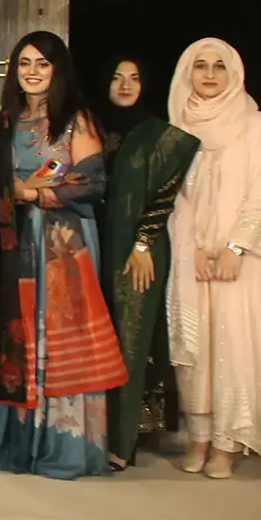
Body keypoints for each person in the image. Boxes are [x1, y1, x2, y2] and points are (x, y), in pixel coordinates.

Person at [0, 31, 125, 479]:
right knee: (15, 332)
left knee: (57, 333)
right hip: (13, 240)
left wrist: (32, 190)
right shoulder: (4, 121)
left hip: (63, 245)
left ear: (58, 71)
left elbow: (92, 182)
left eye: (42, 64)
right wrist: (10, 190)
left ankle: (64, 445)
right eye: (24, 64)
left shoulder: (74, 121)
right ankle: (16, 442)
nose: (33, 72)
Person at [165, 38, 261, 476]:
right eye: (200, 66)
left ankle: (228, 442)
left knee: (235, 345)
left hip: (244, 258)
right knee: (197, 348)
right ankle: (199, 436)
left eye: (219, 66)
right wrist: (194, 247)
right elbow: (176, 197)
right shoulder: (178, 125)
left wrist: (236, 246)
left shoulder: (253, 125)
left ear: (234, 73)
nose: (209, 74)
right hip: (193, 254)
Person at [96, 53, 199, 468]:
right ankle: (91, 433)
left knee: (131, 339)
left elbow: (165, 193)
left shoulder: (160, 135)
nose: (125, 85)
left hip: (138, 249)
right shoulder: (90, 128)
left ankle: (123, 442)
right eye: (117, 77)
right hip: (92, 241)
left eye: (134, 78)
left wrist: (142, 244)